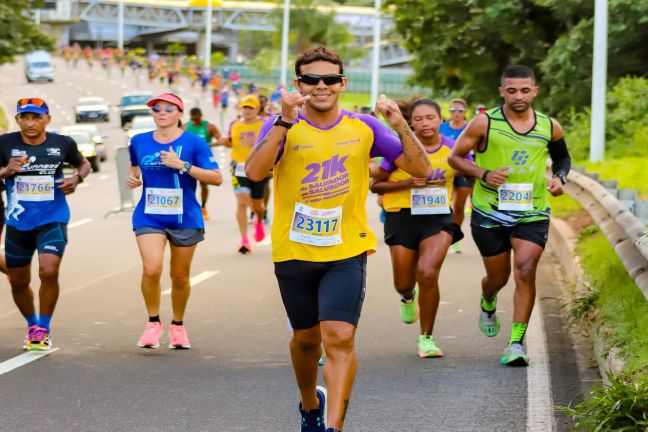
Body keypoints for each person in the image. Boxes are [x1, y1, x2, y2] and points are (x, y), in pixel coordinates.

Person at [245, 46, 431, 432]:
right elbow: (255, 172)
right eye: (311, 79)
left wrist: (399, 123)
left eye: (330, 79)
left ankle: (333, 427)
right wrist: (282, 120)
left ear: (343, 84)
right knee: (306, 340)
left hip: (347, 248)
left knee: (340, 336)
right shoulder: (283, 124)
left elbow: (421, 168)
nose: (321, 86)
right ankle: (310, 403)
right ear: (298, 85)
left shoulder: (365, 126)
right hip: (294, 248)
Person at [448, 65, 571, 366]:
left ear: (535, 91)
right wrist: (483, 173)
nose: (519, 96)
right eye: (512, 90)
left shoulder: (549, 126)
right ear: (502, 91)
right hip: (489, 213)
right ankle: (488, 299)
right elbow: (454, 157)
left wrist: (560, 179)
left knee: (526, 269)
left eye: (525, 90)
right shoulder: (484, 123)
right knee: (498, 277)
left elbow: (562, 158)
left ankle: (516, 343)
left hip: (532, 211)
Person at [125, 93, 223, 350]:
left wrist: (183, 165)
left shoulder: (195, 142)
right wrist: (133, 179)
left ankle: (178, 325)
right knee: (152, 268)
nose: (162, 112)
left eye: (169, 109)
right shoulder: (138, 141)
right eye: (157, 109)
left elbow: (216, 178)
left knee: (179, 277)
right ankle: (153, 322)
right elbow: (134, 168)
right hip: (149, 214)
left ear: (180, 113)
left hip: (185, 216)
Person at [371, 98, 463, 358]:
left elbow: (466, 176)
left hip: (438, 217)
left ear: (440, 120)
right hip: (401, 216)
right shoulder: (399, 150)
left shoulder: (452, 149)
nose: (425, 123)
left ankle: (427, 338)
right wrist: (408, 184)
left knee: (428, 273)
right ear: (410, 122)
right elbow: (376, 186)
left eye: (430, 118)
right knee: (403, 282)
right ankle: (408, 297)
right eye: (419, 119)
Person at [0, 98, 91, 351]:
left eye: (36, 117)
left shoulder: (62, 143)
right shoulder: (5, 143)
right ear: (17, 119)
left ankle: (44, 326)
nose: (29, 123)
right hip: (18, 221)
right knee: (18, 281)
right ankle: (31, 323)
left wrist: (77, 178)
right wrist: (6, 171)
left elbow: (84, 163)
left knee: (48, 270)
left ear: (47, 119)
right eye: (24, 117)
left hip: (53, 217)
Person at [219, 95, 267, 253]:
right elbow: (230, 142)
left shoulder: (264, 124)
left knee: (258, 205)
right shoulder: (235, 124)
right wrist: (224, 140)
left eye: (250, 107)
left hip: (258, 168)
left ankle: (259, 220)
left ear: (258, 109)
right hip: (238, 167)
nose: (246, 110)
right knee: (242, 200)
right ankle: (244, 240)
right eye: (244, 107)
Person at [440, 98, 472, 254]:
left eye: (460, 110)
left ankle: (455, 238)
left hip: (464, 170)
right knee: (446, 205)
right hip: (445, 171)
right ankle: (442, 236)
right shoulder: (442, 128)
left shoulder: (470, 128)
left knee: (459, 206)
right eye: (453, 110)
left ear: (465, 112)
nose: (456, 114)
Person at [183, 107, 222, 220]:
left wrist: (210, 145)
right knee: (186, 183)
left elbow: (220, 139)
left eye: (197, 119)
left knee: (203, 184)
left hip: (203, 160)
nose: (194, 121)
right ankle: (189, 208)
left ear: (201, 116)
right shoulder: (185, 126)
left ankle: (203, 207)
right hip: (188, 159)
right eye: (192, 119)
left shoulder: (209, 127)